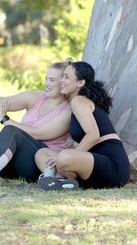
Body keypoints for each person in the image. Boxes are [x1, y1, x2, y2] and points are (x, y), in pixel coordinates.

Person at [0, 60, 73, 192]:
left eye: (52, 80)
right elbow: (2, 102)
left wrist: (6, 121)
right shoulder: (36, 97)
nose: (47, 84)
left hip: (36, 166)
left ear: (64, 83)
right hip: (8, 164)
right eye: (46, 79)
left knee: (12, 131)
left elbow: (37, 133)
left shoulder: (68, 110)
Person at [35, 61, 130, 190]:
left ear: (80, 83)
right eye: (62, 76)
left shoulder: (79, 101)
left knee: (64, 157)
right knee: (42, 153)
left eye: (66, 77)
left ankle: (54, 178)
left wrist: (70, 155)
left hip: (113, 166)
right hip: (90, 165)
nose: (62, 80)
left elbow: (93, 135)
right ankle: (60, 182)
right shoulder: (75, 103)